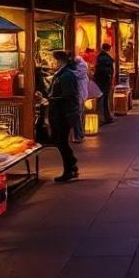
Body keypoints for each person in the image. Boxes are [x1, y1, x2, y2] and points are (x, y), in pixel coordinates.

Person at [48, 51, 80, 182]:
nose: (54, 63)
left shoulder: (66, 75)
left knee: (61, 142)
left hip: (63, 114)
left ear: (61, 61)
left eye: (56, 60)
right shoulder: (62, 74)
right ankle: (71, 165)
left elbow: (68, 95)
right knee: (61, 141)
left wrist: (52, 98)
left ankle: (69, 168)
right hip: (61, 113)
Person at [94, 43, 116, 126]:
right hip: (104, 82)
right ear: (108, 49)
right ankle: (104, 118)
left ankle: (105, 117)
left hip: (103, 81)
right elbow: (106, 70)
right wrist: (109, 75)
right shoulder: (104, 57)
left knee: (103, 99)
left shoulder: (102, 56)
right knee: (103, 99)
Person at [71, 54, 89, 142]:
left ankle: (78, 135)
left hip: (79, 94)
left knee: (77, 115)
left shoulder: (77, 71)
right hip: (81, 94)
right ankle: (80, 134)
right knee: (79, 114)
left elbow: (75, 75)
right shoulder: (82, 68)